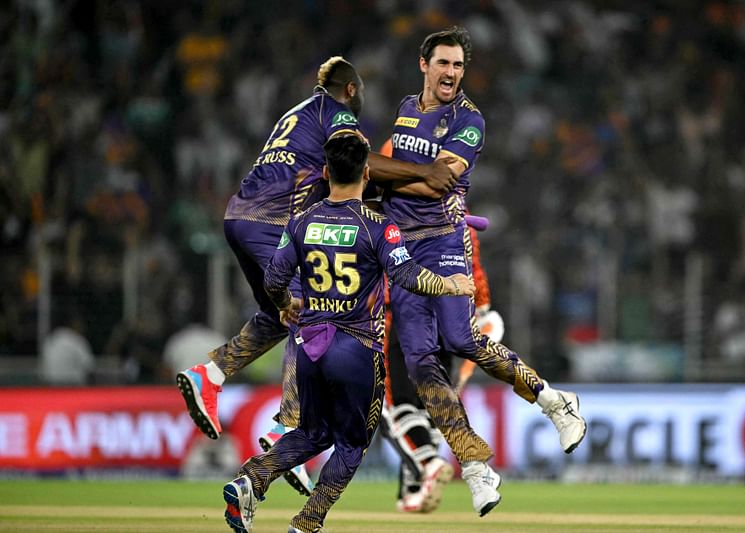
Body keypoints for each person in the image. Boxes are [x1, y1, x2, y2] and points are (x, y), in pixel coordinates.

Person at [175, 56, 456, 495]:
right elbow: (360, 162)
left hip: (242, 218)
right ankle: (286, 428)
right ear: (349, 89)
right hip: (271, 223)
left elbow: (348, 182)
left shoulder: (299, 117)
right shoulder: (335, 111)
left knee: (276, 315)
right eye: (360, 94)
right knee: (314, 306)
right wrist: (427, 174)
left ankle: (208, 374)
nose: (361, 104)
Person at [380, 26, 587, 516]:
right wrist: (390, 184)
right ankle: (476, 467)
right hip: (402, 254)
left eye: (458, 65)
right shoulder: (408, 110)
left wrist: (377, 183)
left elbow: (439, 183)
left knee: (461, 340)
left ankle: (555, 402)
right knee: (420, 366)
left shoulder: (469, 119)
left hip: (444, 244)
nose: (451, 72)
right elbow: (414, 177)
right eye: (443, 63)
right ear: (424, 65)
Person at [222, 134, 475, 533]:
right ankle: (307, 522)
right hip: (356, 347)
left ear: (326, 173)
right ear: (368, 173)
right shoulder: (379, 227)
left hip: (309, 345)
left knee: (311, 432)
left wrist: (287, 305)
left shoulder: (300, 221)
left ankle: (250, 480)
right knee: (352, 444)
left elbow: (274, 279)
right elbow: (406, 275)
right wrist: (450, 284)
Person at [381, 213, 503, 513]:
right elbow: (475, 275)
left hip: (400, 313)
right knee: (432, 403)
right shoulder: (458, 221)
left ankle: (428, 465)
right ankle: (414, 489)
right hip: (448, 312)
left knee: (393, 407)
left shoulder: (393, 213)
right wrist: (481, 307)